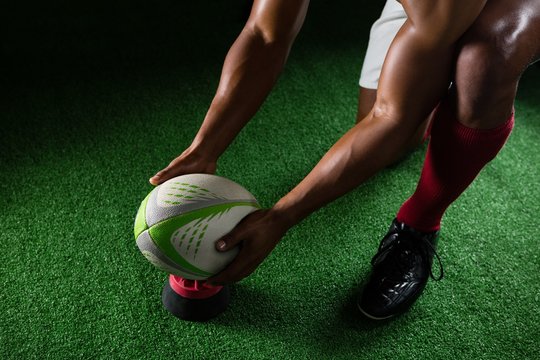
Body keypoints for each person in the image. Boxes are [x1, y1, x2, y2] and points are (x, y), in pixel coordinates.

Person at [150, 0, 540, 320]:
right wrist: (205, 147)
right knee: (397, 137)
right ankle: (438, 63)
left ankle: (420, 223)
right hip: (434, 14)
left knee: (486, 58)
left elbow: (390, 118)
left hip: (453, 10)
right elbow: (266, 34)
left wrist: (280, 217)